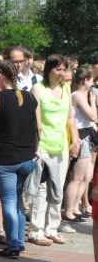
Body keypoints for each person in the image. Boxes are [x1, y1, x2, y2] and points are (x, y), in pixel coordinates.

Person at [0, 60, 39, 259]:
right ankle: (20, 242)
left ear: (0, 76)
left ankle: (13, 245)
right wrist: (36, 149)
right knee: (18, 201)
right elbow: (37, 127)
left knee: (8, 202)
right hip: (27, 157)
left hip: (5, 158)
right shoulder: (30, 96)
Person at [27, 56, 80, 246]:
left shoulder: (66, 88)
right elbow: (36, 121)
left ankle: (52, 228)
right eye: (58, 69)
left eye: (64, 70)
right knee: (41, 190)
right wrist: (36, 147)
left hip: (61, 144)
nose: (61, 73)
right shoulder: (38, 89)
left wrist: (75, 140)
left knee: (57, 188)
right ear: (48, 70)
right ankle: (36, 230)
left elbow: (70, 118)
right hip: (43, 145)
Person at [62, 67, 96, 228]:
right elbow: (93, 116)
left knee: (86, 176)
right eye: (91, 80)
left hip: (86, 134)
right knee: (77, 177)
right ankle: (69, 210)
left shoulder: (81, 95)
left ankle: (75, 207)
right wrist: (92, 102)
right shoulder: (77, 95)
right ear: (85, 80)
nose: (92, 83)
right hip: (80, 134)